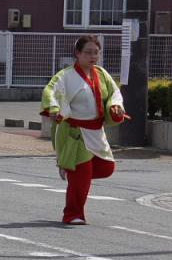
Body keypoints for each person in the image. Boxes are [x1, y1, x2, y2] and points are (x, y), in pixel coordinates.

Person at [41, 35, 127, 225]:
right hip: (75, 133)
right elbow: (51, 91)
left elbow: (114, 93)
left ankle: (72, 170)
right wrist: (55, 109)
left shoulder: (102, 74)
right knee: (82, 176)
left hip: (96, 131)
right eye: (88, 52)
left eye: (96, 52)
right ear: (77, 53)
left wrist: (115, 106)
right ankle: (73, 214)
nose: (93, 56)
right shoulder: (66, 76)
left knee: (106, 168)